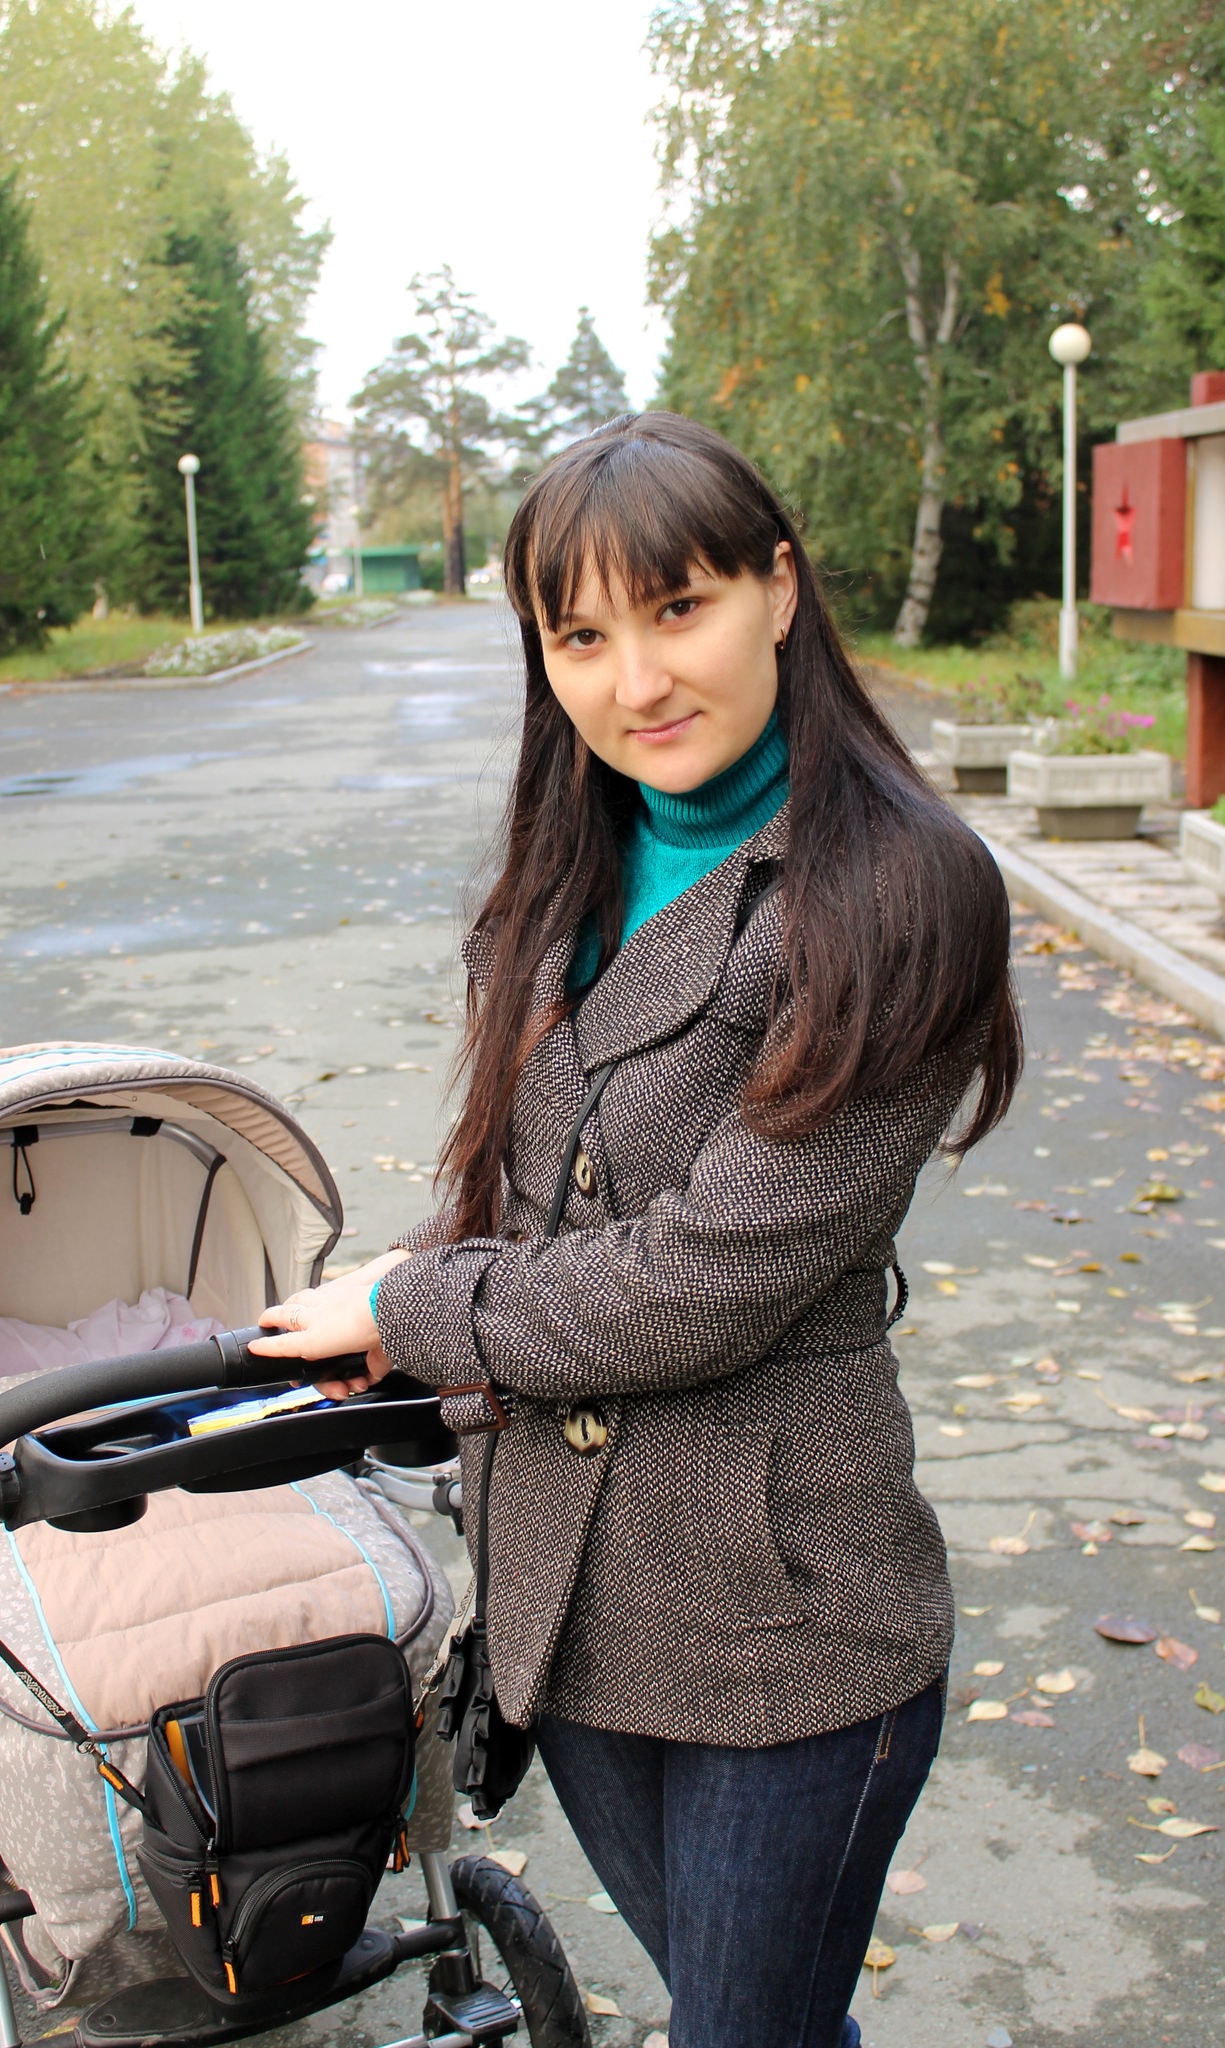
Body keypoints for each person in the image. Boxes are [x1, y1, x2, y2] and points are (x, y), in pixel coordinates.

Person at [250, 412, 1022, 2048]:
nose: (636, 681)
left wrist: (415, 1302)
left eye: (678, 609)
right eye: (580, 637)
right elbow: (534, 1191)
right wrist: (387, 1316)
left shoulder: (895, 887)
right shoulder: (571, 860)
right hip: (569, 1595)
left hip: (783, 1629)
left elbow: (708, 1276)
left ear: (778, 591)